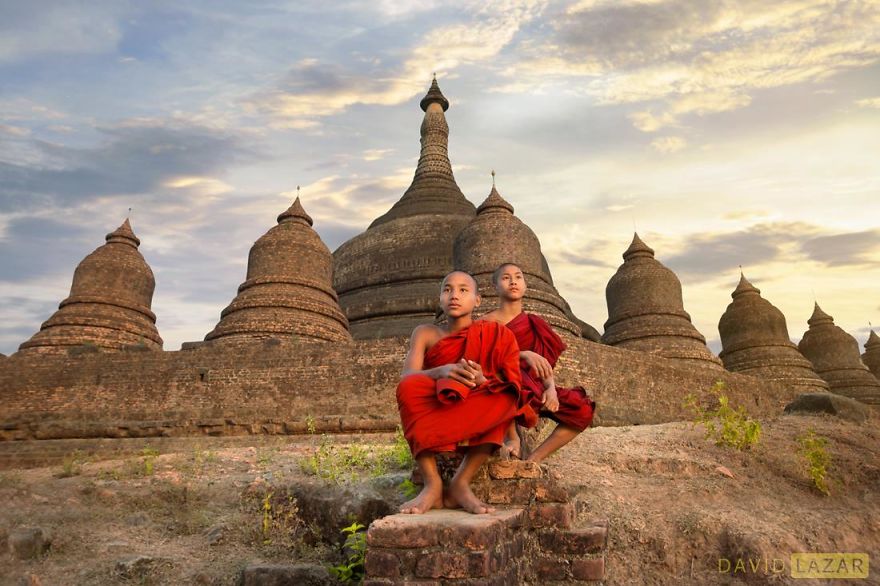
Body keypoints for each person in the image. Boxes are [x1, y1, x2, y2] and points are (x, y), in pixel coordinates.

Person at [396, 270, 523, 514]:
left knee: (503, 395)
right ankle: (432, 484)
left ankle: (460, 483)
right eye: (448, 289)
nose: (454, 295)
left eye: (463, 290)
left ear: (477, 301)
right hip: (438, 402)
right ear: (440, 299)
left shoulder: (496, 334)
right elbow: (408, 376)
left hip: (474, 401)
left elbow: (511, 383)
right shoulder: (425, 333)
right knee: (408, 387)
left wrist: (482, 380)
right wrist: (440, 371)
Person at [482, 263, 596, 463]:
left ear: (525, 285)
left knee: (583, 410)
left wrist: (550, 389)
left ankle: (533, 460)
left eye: (518, 277)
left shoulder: (534, 324)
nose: (513, 282)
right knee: (505, 384)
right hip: (503, 386)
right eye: (506, 278)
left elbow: (544, 366)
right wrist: (521, 354)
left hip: (534, 389)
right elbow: (484, 362)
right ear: (495, 286)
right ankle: (513, 437)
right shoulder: (485, 324)